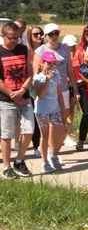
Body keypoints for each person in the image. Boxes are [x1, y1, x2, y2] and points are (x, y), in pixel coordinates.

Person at [33, 23, 80, 147]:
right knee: (50, 123)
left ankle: (55, 149)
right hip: (46, 89)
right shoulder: (41, 50)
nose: (54, 36)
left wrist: (75, 90)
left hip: (63, 88)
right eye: (51, 34)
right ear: (46, 36)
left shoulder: (65, 49)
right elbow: (35, 71)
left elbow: (70, 69)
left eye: (56, 33)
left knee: (62, 118)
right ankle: (49, 150)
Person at [0, 22, 34, 178]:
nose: (15, 41)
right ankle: (6, 166)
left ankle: (19, 161)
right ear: (3, 36)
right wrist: (13, 95)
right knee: (7, 134)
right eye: (12, 38)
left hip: (24, 97)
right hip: (6, 100)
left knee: (29, 131)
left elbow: (29, 74)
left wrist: (22, 90)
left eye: (18, 37)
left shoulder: (23, 49)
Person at [33, 50, 65, 174]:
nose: (51, 67)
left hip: (55, 109)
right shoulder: (38, 78)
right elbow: (40, 95)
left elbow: (59, 94)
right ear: (42, 63)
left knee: (62, 133)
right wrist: (46, 80)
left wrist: (63, 109)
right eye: (49, 64)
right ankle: (44, 162)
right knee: (44, 136)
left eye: (53, 64)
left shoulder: (56, 76)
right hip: (42, 111)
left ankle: (54, 155)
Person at [72, 26, 88, 151]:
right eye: (87, 33)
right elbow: (76, 68)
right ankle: (81, 140)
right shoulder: (80, 49)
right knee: (87, 113)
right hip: (83, 83)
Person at [26, 25, 44, 156]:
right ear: (29, 36)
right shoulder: (27, 51)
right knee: (35, 116)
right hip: (31, 87)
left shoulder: (46, 49)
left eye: (40, 33)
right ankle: (36, 145)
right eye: (35, 34)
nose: (39, 36)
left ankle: (45, 144)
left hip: (46, 85)